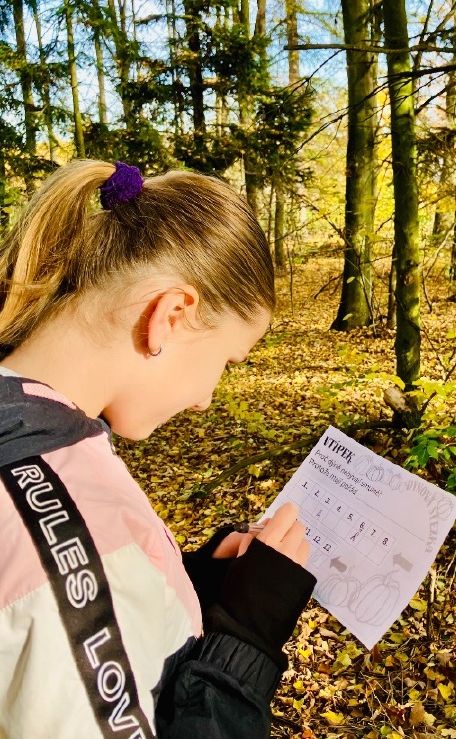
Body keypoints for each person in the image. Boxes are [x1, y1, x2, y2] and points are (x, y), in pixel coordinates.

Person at [0, 160, 316, 738]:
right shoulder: (72, 545)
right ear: (171, 316)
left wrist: (196, 582)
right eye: (225, 362)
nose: (205, 400)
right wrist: (245, 640)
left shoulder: (38, 431)